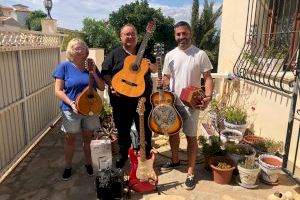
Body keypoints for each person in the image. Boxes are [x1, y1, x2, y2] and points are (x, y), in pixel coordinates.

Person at [158, 21, 213, 190]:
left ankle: (190, 172)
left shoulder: (200, 54)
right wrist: (163, 82)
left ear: (190, 33)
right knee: (173, 133)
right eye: (178, 34)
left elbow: (208, 77)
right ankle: (175, 160)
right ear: (175, 36)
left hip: (191, 103)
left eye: (184, 33)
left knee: (191, 137)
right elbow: (167, 77)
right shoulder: (169, 55)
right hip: (173, 102)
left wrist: (208, 96)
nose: (181, 37)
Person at [101, 23, 157, 168]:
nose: (130, 36)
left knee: (144, 128)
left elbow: (155, 68)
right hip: (120, 99)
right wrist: (112, 86)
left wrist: (150, 65)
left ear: (138, 36)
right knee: (122, 128)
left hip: (142, 99)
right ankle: (123, 153)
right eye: (127, 34)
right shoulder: (114, 54)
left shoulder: (145, 52)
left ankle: (146, 153)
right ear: (121, 37)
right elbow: (105, 73)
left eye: (132, 34)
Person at [53, 38, 105, 180]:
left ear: (86, 51)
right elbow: (58, 90)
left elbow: (101, 87)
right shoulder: (64, 67)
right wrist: (71, 103)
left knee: (88, 138)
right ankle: (68, 166)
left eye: (82, 47)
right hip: (71, 110)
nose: (80, 49)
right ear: (70, 50)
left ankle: (88, 163)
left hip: (90, 109)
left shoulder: (91, 66)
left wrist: (94, 73)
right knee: (70, 139)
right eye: (76, 47)